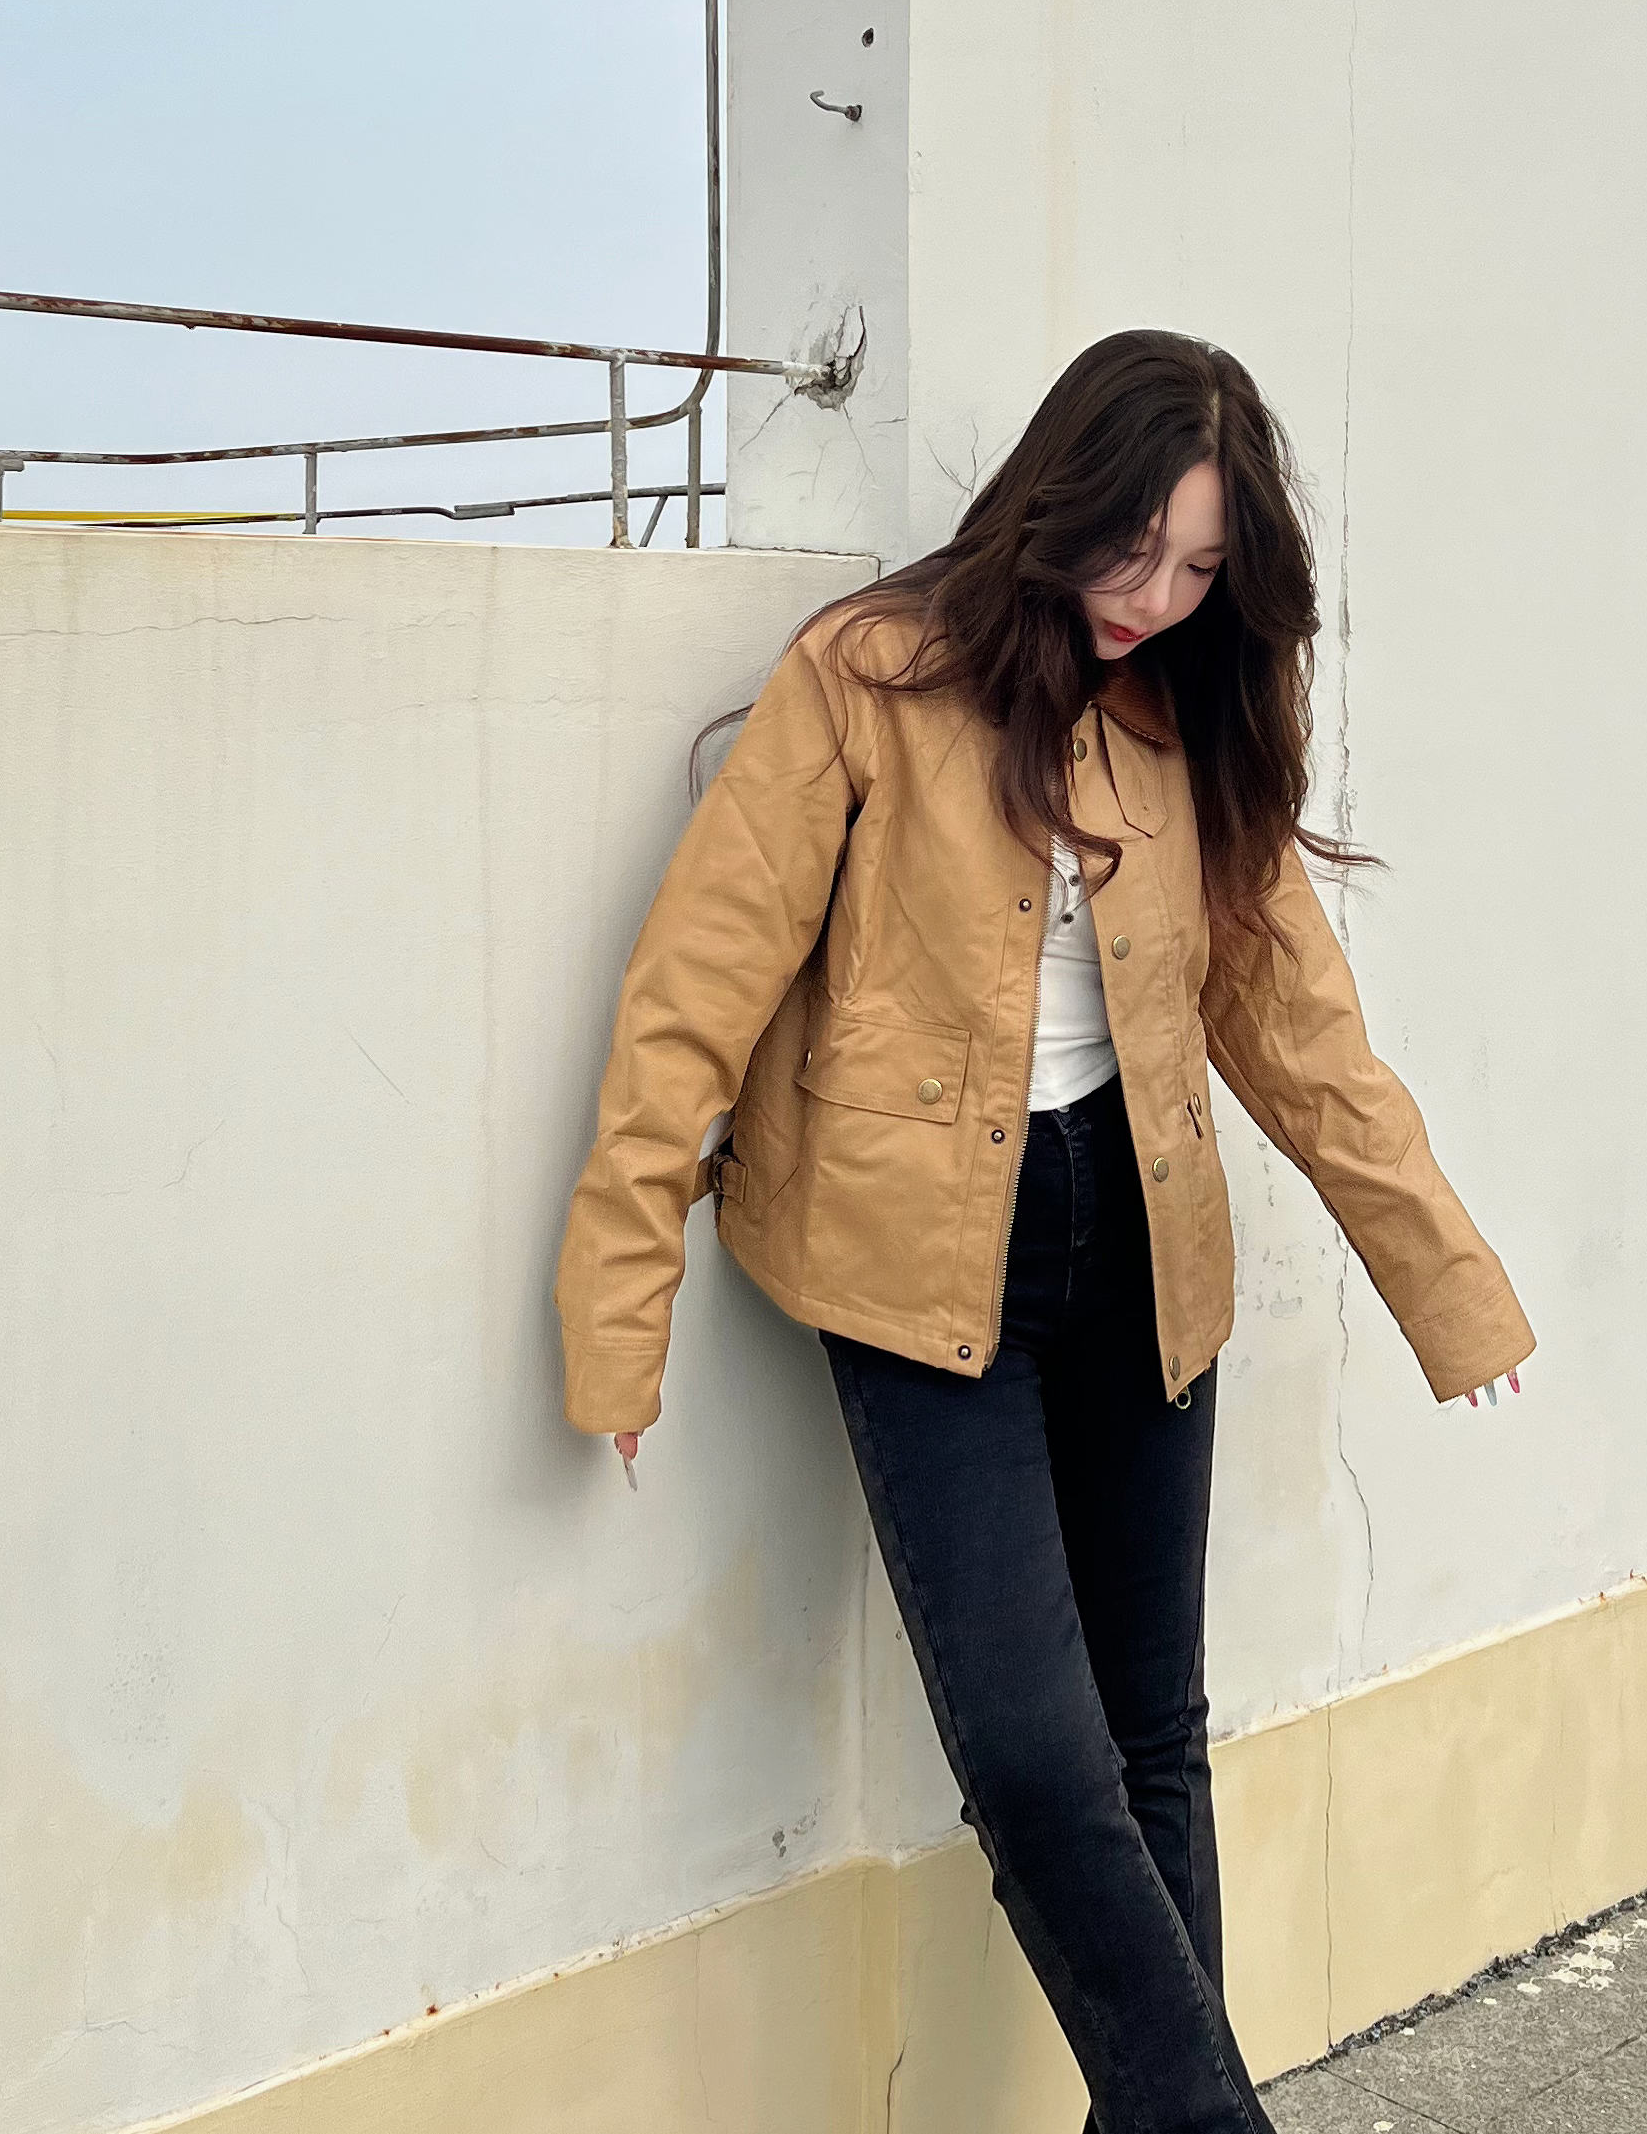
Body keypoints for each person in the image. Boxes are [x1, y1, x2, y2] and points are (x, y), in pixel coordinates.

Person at [554, 328, 1536, 2134]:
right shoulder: (866, 675)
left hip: (1146, 1246)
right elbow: (693, 994)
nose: (1154, 599)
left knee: (1154, 1737)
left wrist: (1447, 1284)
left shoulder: (1192, 714)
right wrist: (621, 1306)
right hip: (915, 1267)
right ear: (1054, 497)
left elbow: (1301, 1035)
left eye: (1200, 567)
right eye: (1133, 549)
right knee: (1029, 1753)